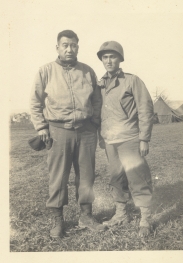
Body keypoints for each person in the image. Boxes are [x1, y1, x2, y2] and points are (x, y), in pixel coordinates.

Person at [30, 30, 106, 238]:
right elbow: (35, 102)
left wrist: (96, 123)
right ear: (57, 47)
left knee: (87, 175)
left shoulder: (88, 71)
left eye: (73, 45)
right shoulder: (45, 71)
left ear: (78, 47)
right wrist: (41, 127)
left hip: (86, 131)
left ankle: (86, 216)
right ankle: (58, 220)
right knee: (58, 177)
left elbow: (97, 101)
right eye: (65, 45)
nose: (69, 49)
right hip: (58, 131)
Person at [97, 41, 154, 237]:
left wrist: (144, 138)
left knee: (137, 177)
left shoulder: (132, 81)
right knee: (116, 177)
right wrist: (101, 137)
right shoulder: (101, 84)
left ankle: (145, 218)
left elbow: (145, 109)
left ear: (120, 59)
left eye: (112, 56)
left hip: (130, 138)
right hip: (110, 141)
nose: (108, 60)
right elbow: (100, 113)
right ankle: (121, 214)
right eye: (105, 57)